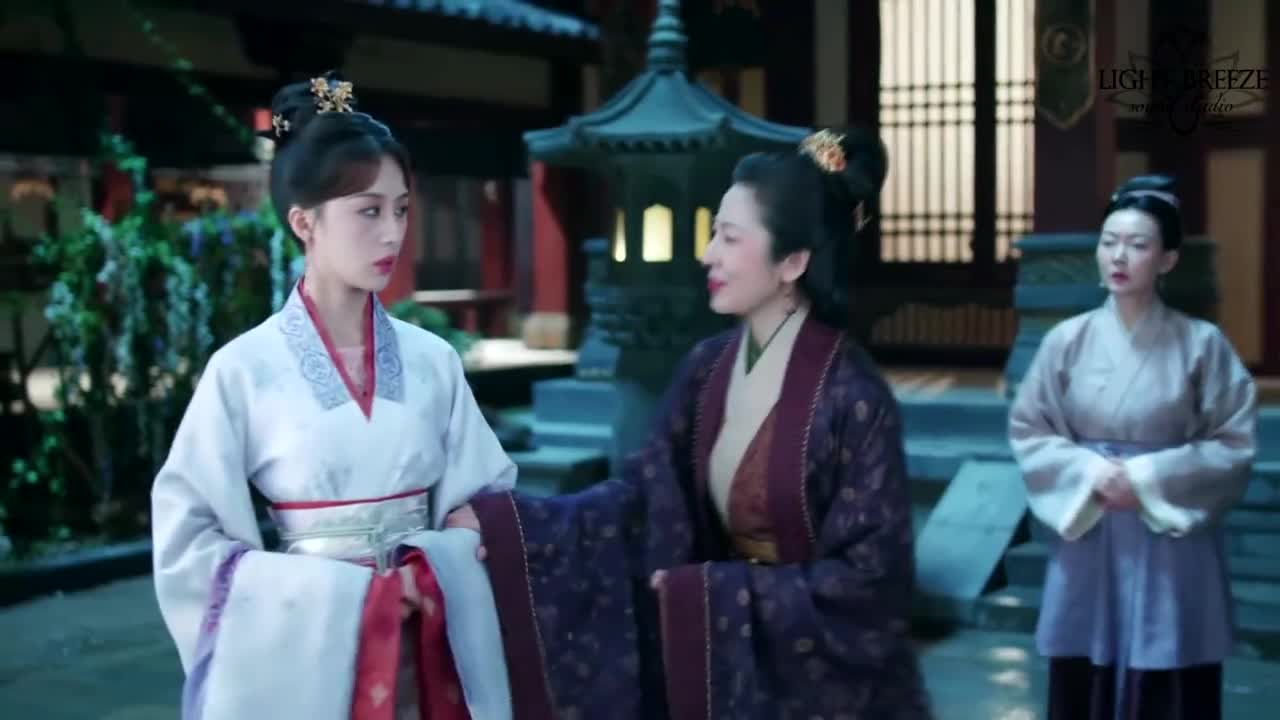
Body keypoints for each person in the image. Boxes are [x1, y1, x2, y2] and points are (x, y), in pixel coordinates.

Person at [449, 129, 932, 719]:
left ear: (792, 262)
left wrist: (714, 595)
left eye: (729, 237)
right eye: (712, 234)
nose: (707, 255)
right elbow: (646, 499)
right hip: (727, 673)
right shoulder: (708, 369)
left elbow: (873, 583)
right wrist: (515, 526)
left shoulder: (852, 396)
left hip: (824, 689)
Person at [151, 73, 515, 720]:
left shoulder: (432, 360)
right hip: (309, 653)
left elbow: (485, 493)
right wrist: (349, 597)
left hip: (430, 642)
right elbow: (189, 538)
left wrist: (462, 538)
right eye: (368, 211)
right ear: (304, 222)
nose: (392, 233)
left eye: (401, 209)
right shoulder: (242, 370)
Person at [1008, 174, 1257, 720]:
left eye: (1138, 245)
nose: (1118, 257)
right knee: (1083, 666)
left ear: (1167, 260)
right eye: (1109, 242)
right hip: (1092, 520)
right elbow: (1031, 428)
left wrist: (1144, 480)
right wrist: (1089, 474)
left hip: (1168, 530)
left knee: (1167, 663)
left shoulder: (1203, 344)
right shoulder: (1066, 341)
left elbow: (1233, 442)